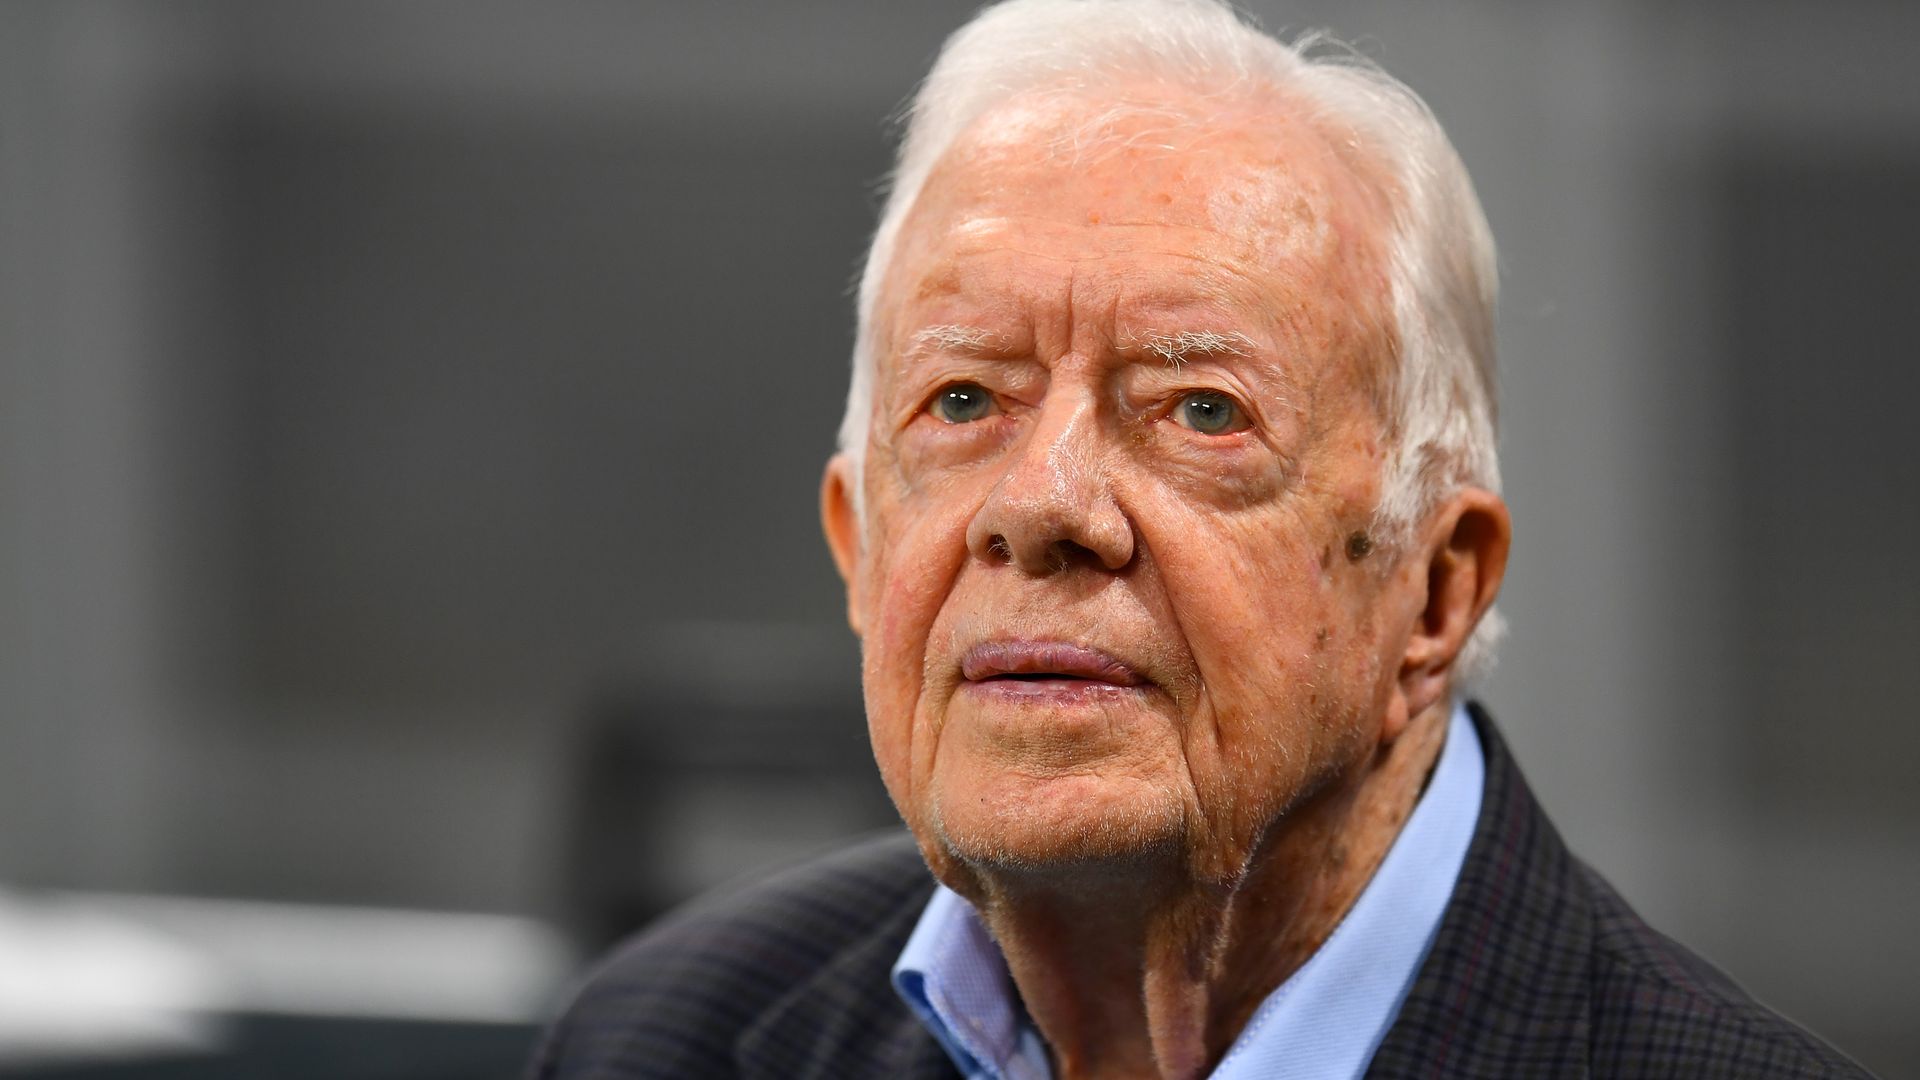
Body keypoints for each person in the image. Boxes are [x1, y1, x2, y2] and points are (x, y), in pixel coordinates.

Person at [529, 1, 1871, 1076]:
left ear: (1433, 591)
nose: (1042, 505)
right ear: (860, 549)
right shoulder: (663, 1039)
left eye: (1200, 411)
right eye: (962, 401)